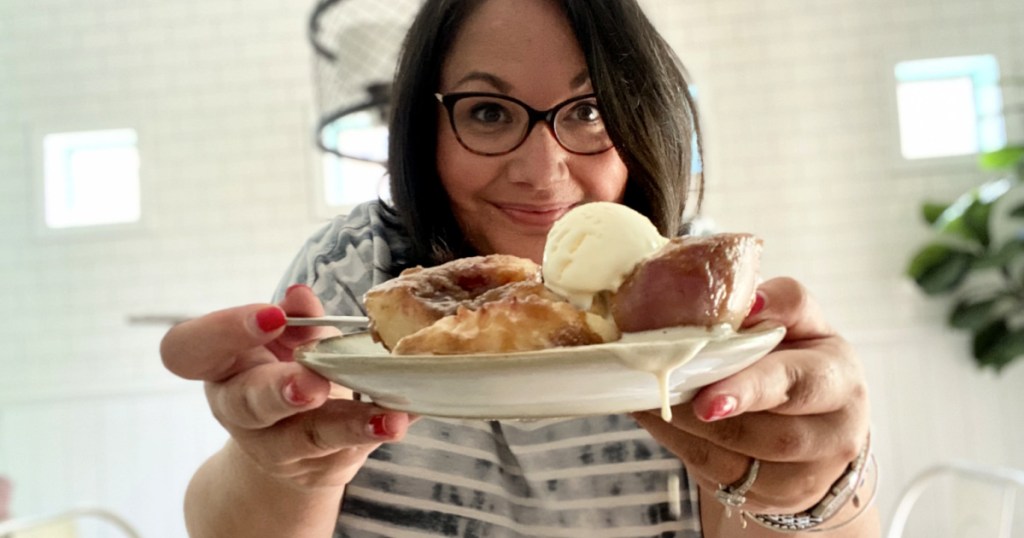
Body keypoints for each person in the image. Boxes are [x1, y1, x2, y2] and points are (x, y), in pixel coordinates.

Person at [161, 0, 879, 536]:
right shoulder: (355, 273)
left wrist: (809, 487)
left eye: (591, 110)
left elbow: (780, 506)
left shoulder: (699, 306)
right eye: (487, 113)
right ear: (424, 127)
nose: (543, 172)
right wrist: (279, 468)